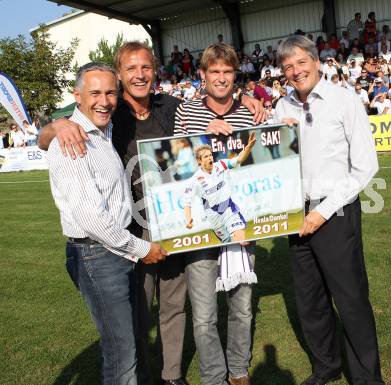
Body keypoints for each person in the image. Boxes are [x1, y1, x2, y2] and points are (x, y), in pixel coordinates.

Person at [38, 41, 264, 385]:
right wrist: (58, 125)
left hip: (172, 224)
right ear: (119, 73)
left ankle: (171, 375)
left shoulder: (169, 106)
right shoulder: (109, 114)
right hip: (129, 231)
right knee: (136, 315)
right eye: (130, 69)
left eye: (145, 67)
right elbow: (47, 138)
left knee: (174, 305)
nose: (139, 75)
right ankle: (142, 375)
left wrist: (246, 98)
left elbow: (209, 109)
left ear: (155, 71)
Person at [46, 62, 168, 385]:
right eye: (95, 93)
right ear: (77, 96)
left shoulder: (104, 130)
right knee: (120, 352)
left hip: (112, 250)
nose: (104, 100)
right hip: (98, 253)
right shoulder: (71, 140)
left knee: (125, 342)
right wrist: (143, 249)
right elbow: (93, 220)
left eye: (111, 92)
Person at [273, 35, 384, 385]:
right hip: (296, 215)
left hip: (333, 214)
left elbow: (365, 166)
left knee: (350, 300)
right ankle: (326, 367)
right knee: (310, 302)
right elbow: (270, 160)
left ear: (317, 61)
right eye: (288, 66)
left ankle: (367, 378)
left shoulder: (344, 100)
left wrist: (323, 211)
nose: (295, 71)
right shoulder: (282, 107)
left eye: (301, 62)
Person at [174, 42, 258, 385]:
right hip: (205, 226)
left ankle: (238, 370)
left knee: (242, 305)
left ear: (234, 75)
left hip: (238, 217)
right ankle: (212, 376)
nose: (221, 78)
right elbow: (176, 161)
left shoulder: (250, 111)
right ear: (203, 75)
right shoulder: (186, 111)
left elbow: (254, 155)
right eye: (215, 72)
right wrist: (203, 135)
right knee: (205, 313)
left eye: (227, 72)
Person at [184, 134, 256, 243]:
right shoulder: (194, 180)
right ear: (199, 161)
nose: (210, 158)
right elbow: (187, 203)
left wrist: (249, 147)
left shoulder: (221, 164)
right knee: (229, 245)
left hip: (229, 209)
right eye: (206, 157)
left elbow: (239, 159)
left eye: (210, 155)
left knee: (241, 241)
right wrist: (188, 219)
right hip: (214, 217)